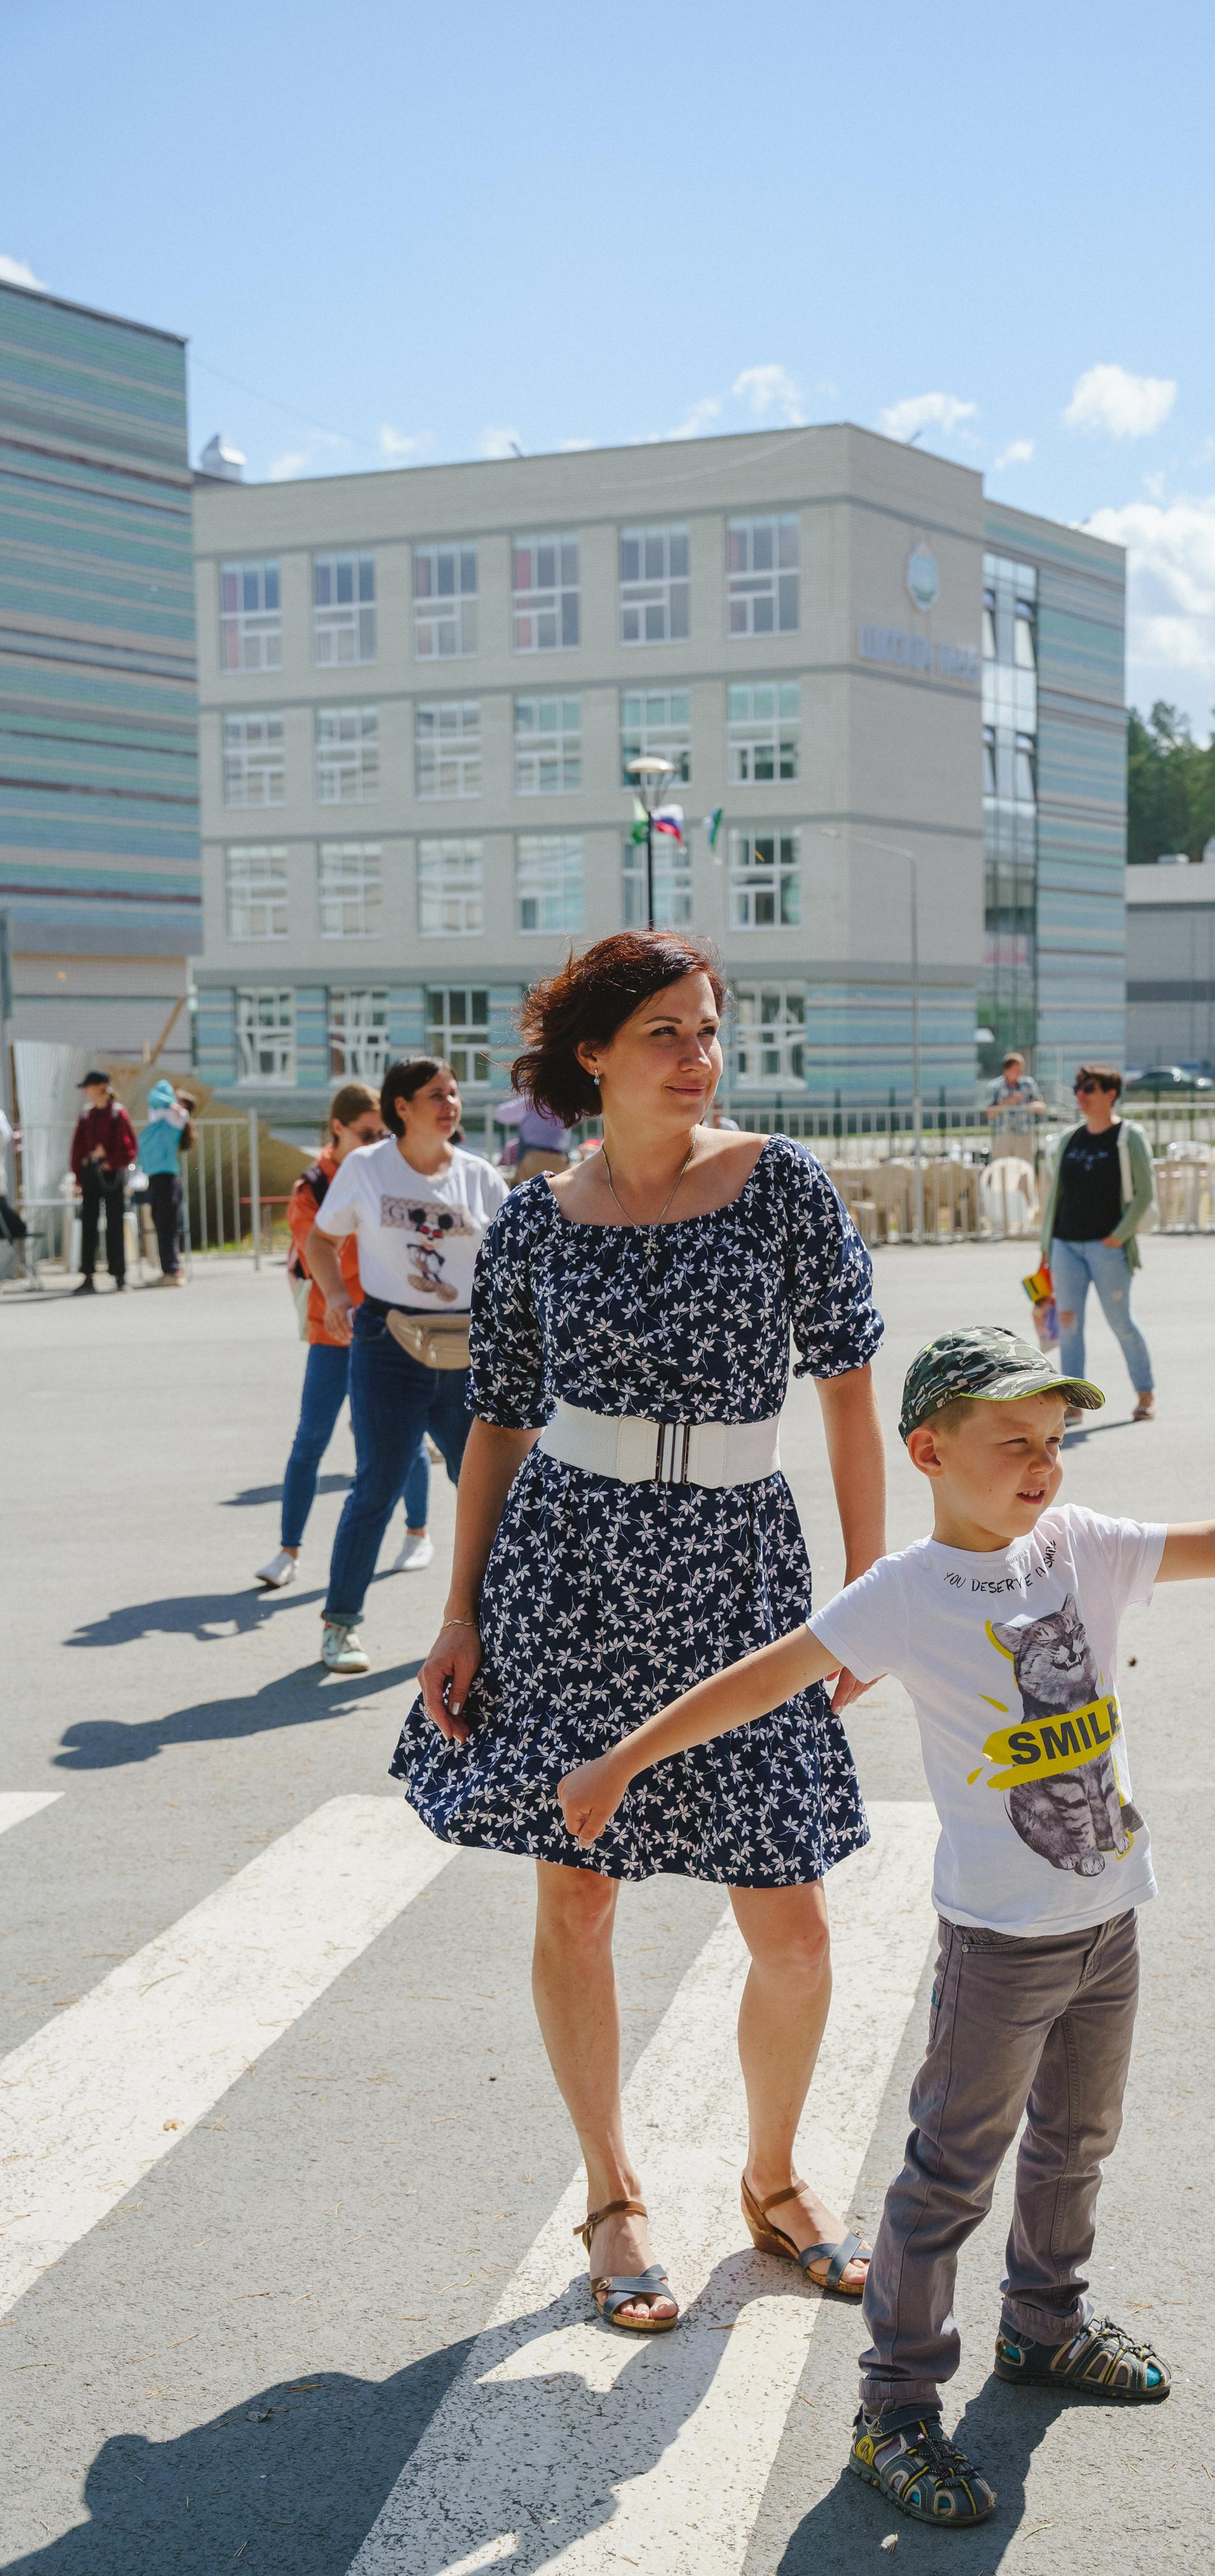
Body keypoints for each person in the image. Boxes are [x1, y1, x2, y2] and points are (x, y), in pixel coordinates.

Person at [555, 1323, 1215, 2524]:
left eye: (1055, 1440)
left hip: (1109, 1917)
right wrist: (623, 1761)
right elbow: (767, 1675)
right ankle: (893, 2410)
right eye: (1013, 1442)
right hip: (999, 1941)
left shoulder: (1078, 1547)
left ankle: (1045, 2324)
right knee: (948, 2175)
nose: (1043, 1464)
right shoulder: (903, 1595)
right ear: (930, 1451)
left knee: (1077, 2142)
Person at [402, 929, 886, 2336]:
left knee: (789, 1922)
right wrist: (457, 1608)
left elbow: (852, 1394)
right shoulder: (538, 1223)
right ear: (593, 1057)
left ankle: (776, 2180)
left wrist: (865, 1593)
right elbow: (496, 1421)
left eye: (709, 1027)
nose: (698, 1054)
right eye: (666, 1031)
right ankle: (613, 2195)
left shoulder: (780, 1186)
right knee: (578, 1892)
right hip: (570, 1570)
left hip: (740, 1571)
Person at [306, 1059, 508, 1674]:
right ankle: (340, 1625)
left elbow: (516, 1257)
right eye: (434, 1095)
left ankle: (501, 1627)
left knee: (490, 1490)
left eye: (454, 1093)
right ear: (401, 1107)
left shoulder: (479, 1177)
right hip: (388, 1344)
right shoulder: (368, 1168)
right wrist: (336, 1296)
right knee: (378, 1486)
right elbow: (320, 1239)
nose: (450, 1103)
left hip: (470, 1349)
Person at [256, 1082, 433, 1594]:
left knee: (404, 1439)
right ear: (338, 1128)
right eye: (368, 1132)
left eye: (384, 1132)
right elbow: (323, 1251)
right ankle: (288, 1550)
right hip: (333, 1329)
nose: (379, 1141)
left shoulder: (391, 1171)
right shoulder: (313, 1184)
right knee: (310, 1439)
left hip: (389, 1328)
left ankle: (417, 1532)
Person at [1037, 1065, 1157, 1423]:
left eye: (1088, 1088)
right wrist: (1047, 1246)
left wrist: (1116, 1237)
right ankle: (1073, 1403)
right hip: (1066, 1246)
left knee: (1121, 1322)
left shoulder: (1128, 1137)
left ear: (1110, 1094)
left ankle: (1145, 1394)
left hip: (1107, 1249)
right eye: (1077, 1088)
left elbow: (1145, 1194)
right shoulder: (1070, 1138)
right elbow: (1056, 1195)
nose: (1080, 1094)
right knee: (1069, 1325)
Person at [70, 1069, 137, 1295]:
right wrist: (78, 1177)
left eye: (88, 1087)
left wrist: (110, 1160)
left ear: (101, 1087)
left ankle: (120, 1275)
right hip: (90, 1173)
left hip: (111, 1174)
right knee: (88, 1222)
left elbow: (129, 1147)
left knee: (115, 1223)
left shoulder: (118, 1114)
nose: (86, 1092)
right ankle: (87, 1276)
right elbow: (77, 1148)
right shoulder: (86, 1115)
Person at [135, 1078, 192, 1287]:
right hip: (158, 1175)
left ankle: (172, 1269)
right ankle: (170, 1267)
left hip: (165, 1176)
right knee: (161, 1221)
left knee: (166, 1223)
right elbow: (154, 1100)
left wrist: (170, 1103)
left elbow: (156, 1098)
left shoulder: (175, 1117)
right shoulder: (165, 1116)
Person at [492, 1090, 570, 1184]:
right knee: (558, 1195)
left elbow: (501, 1114)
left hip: (533, 1156)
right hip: (558, 1158)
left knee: (530, 1194)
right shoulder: (564, 1103)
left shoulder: (530, 1102)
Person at [984, 1052, 1045, 1159]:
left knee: (1024, 1169)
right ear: (1007, 1070)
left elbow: (1041, 1106)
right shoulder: (995, 1087)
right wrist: (1009, 1101)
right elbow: (990, 1114)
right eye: (1017, 1070)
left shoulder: (1029, 1084)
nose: (1020, 1073)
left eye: (1021, 1069)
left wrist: (1033, 1107)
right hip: (1002, 1134)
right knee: (1002, 1169)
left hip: (1024, 1133)